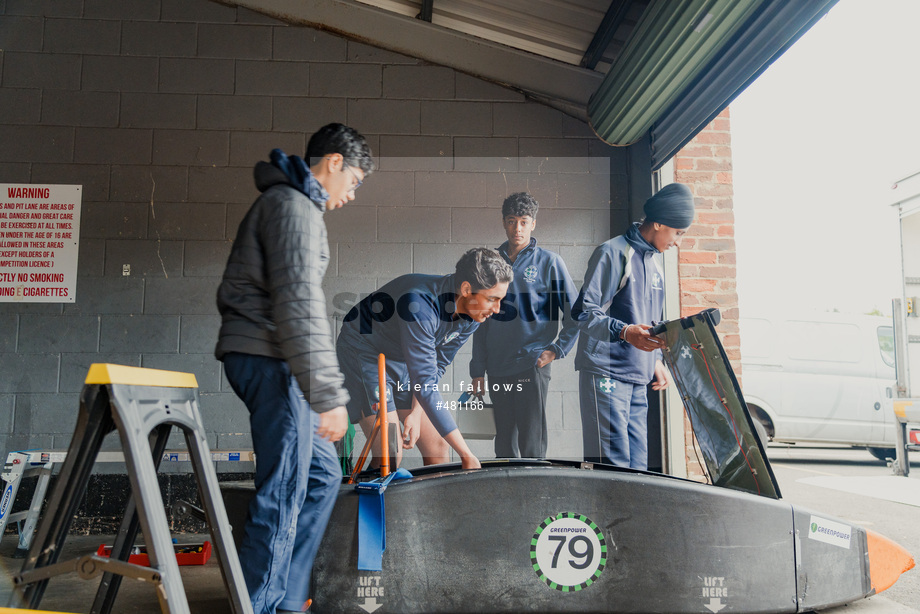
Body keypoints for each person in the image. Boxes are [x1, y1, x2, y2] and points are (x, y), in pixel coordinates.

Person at [214, 123, 374, 614]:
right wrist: (328, 396)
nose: (352, 193)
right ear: (333, 163)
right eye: (355, 181)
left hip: (271, 356)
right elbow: (299, 305)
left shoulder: (292, 206)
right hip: (270, 357)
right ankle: (257, 606)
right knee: (283, 492)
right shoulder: (293, 208)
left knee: (323, 474)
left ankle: (286, 598)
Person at [336, 248, 513, 470]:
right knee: (390, 454)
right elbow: (425, 382)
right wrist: (466, 454)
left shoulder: (473, 315)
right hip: (365, 352)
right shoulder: (419, 305)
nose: (497, 309)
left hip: (403, 357)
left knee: (438, 448)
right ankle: (362, 502)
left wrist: (416, 414)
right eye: (493, 299)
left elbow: (436, 366)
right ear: (467, 289)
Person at [571, 183, 695, 470]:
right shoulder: (613, 253)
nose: (678, 242)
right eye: (678, 233)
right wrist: (625, 332)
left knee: (638, 468)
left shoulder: (655, 264)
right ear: (659, 223)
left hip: (638, 377)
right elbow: (581, 313)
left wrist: (656, 359)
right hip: (606, 373)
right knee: (612, 468)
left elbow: (651, 321)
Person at [468, 192, 579, 458]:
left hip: (532, 364)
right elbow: (480, 321)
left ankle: (533, 495)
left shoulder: (550, 263)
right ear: (504, 222)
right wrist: (477, 371)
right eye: (511, 221)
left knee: (532, 442)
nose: (517, 228)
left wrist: (556, 350)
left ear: (533, 224)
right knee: (504, 441)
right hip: (497, 366)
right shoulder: (488, 264)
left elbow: (576, 314)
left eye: (524, 221)